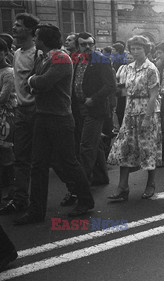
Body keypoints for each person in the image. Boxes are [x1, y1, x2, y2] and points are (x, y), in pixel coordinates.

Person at [14, 24, 95, 225]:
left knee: (68, 162)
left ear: (43, 39)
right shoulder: (43, 57)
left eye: (37, 36)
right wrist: (35, 82)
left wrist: (34, 81)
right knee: (38, 164)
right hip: (42, 116)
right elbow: (32, 84)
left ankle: (85, 200)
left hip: (60, 118)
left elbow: (42, 83)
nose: (34, 38)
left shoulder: (61, 57)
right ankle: (36, 211)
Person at [59, 32, 116, 206]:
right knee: (94, 143)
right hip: (78, 109)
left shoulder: (100, 60)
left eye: (90, 44)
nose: (87, 47)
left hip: (94, 109)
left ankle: (79, 189)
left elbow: (110, 85)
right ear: (78, 45)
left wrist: (94, 98)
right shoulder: (75, 59)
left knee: (85, 147)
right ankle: (101, 177)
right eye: (83, 44)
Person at [107, 35, 161, 201]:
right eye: (133, 49)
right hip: (130, 112)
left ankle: (151, 184)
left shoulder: (151, 69)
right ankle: (123, 187)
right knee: (126, 147)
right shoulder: (127, 68)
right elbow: (124, 90)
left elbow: (153, 95)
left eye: (139, 49)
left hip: (147, 111)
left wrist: (147, 118)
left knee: (147, 147)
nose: (135, 52)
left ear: (146, 50)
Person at [0, 13, 40, 215]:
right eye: (14, 25)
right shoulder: (16, 54)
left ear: (31, 31)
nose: (14, 28)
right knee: (21, 157)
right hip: (21, 111)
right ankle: (20, 199)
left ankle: (80, 193)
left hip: (38, 112)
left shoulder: (37, 54)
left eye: (19, 25)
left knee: (56, 159)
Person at [0, 38, 16, 205]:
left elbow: (4, 96)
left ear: (5, 52)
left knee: (6, 151)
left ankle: (11, 187)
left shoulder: (8, 72)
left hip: (6, 115)